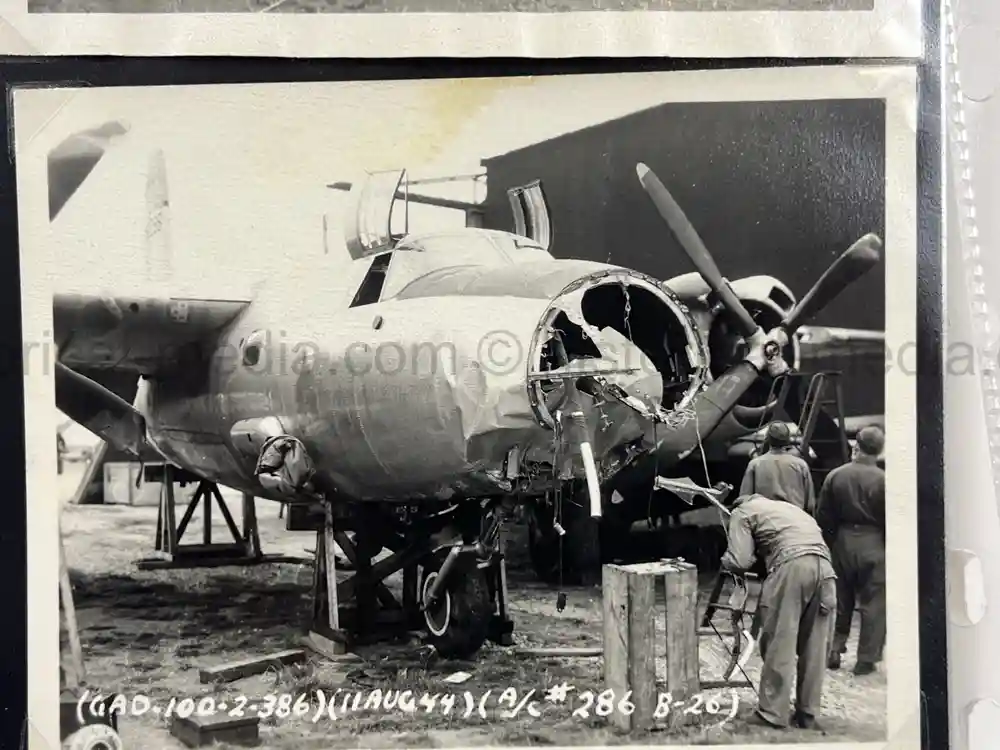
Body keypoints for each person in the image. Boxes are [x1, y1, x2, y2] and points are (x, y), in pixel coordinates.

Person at [720, 493, 837, 730]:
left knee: (780, 643)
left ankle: (773, 714)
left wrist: (726, 560)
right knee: (815, 647)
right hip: (826, 570)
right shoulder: (788, 509)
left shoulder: (741, 513)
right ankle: (808, 714)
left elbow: (740, 560)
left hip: (791, 567)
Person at [815, 425, 886, 676]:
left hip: (843, 541)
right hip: (875, 543)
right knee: (875, 602)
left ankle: (834, 649)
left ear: (857, 446)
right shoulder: (884, 480)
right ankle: (866, 658)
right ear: (879, 450)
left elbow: (823, 515)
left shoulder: (836, 475)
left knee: (840, 599)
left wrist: (831, 544)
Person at [740, 421, 817, 514]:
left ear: (768, 439)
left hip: (766, 519)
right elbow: (810, 505)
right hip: (795, 518)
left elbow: (745, 500)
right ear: (787, 440)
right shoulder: (801, 465)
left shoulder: (755, 464)